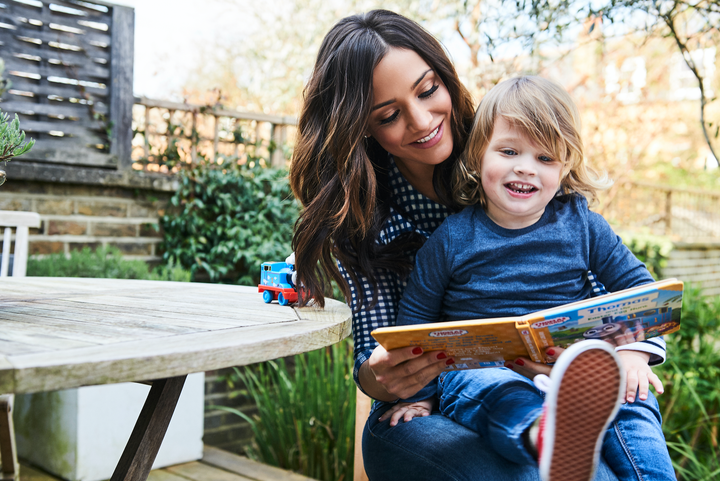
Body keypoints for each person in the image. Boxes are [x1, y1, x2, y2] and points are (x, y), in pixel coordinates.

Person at [290, 10, 667, 481]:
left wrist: (623, 350)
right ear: (361, 127)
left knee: (627, 432)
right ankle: (541, 433)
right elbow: (397, 336)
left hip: (567, 379)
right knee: (534, 463)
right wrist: (394, 380)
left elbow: (619, 292)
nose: (422, 120)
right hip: (448, 395)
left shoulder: (516, 143)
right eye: (389, 115)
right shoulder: (381, 217)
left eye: (428, 90)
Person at [389, 76, 675, 480]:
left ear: (564, 167)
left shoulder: (582, 225)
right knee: (492, 390)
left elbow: (646, 293)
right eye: (509, 151)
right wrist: (418, 396)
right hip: (486, 369)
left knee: (634, 404)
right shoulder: (451, 239)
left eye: (545, 158)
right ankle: (546, 438)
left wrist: (634, 353)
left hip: (580, 368)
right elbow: (416, 320)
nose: (525, 167)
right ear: (478, 155)